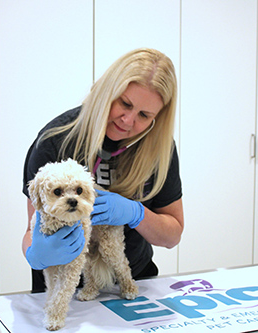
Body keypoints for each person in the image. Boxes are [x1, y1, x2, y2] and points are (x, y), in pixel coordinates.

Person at [21, 48, 184, 292]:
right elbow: (31, 229)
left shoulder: (158, 150)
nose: (127, 121)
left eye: (143, 115)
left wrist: (136, 213)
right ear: (107, 91)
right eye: (124, 103)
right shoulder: (55, 141)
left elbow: (172, 236)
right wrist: (37, 254)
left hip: (131, 284)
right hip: (66, 289)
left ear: (157, 118)